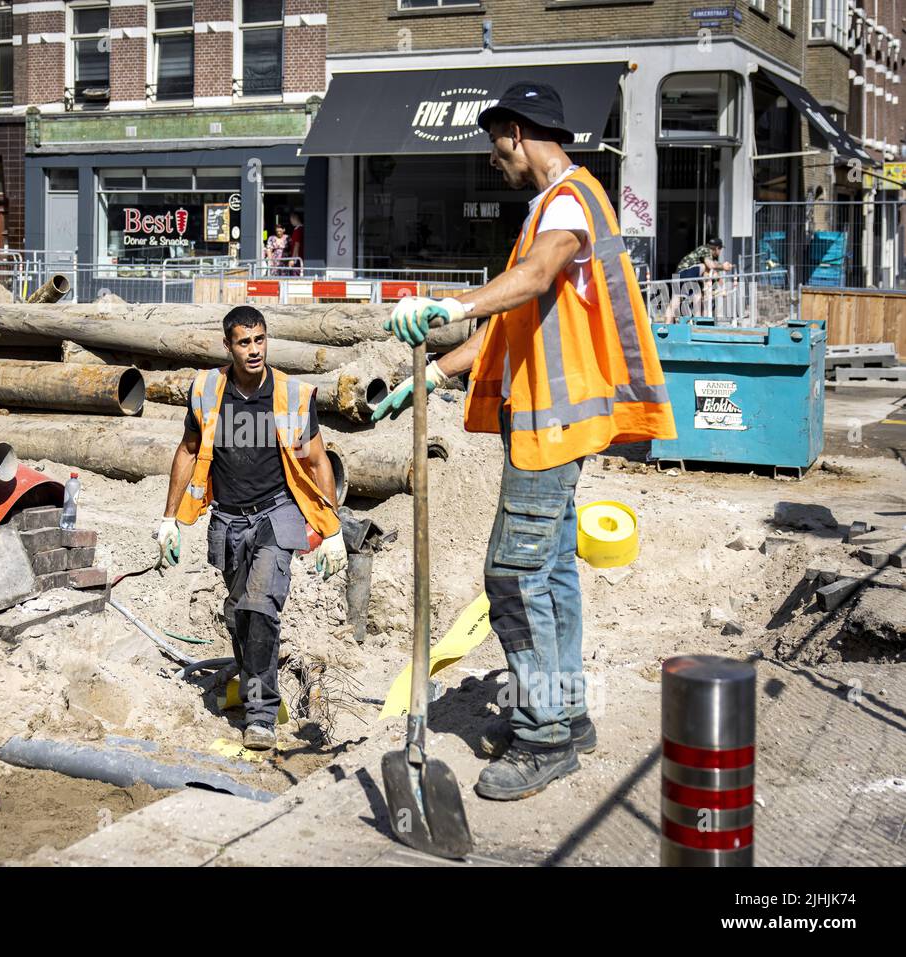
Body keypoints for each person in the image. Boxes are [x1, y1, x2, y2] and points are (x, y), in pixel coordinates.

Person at [372, 81, 676, 800]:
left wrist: (452, 300)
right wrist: (435, 377)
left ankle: (543, 737)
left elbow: (534, 275)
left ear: (514, 131)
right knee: (552, 574)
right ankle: (566, 712)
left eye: (493, 145)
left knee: (511, 576)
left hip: (551, 428)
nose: (492, 161)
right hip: (552, 427)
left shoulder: (568, 200)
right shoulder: (556, 204)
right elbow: (509, 322)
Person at [156, 305, 347, 751]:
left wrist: (332, 529)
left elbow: (317, 461)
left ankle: (261, 714)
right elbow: (187, 451)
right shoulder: (207, 390)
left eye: (260, 339)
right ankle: (252, 682)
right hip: (226, 517)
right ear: (228, 346)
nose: (254, 349)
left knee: (260, 606)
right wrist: (169, 518)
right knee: (240, 612)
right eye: (244, 342)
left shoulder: (290, 395)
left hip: (277, 514)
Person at [667, 237, 732, 320]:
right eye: (720, 249)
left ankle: (666, 326)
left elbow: (714, 269)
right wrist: (723, 267)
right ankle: (697, 323)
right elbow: (711, 266)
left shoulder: (702, 253)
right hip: (687, 273)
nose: (720, 252)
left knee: (675, 302)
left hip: (677, 275)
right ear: (717, 248)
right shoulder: (706, 249)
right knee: (698, 296)